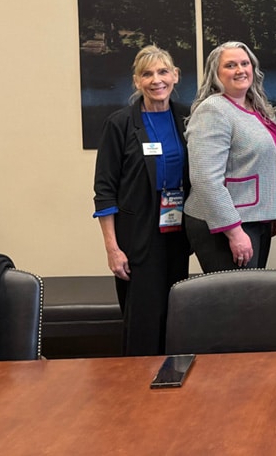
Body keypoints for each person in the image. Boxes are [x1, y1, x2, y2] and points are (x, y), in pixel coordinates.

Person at [92, 45, 191, 355]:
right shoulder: (119, 124)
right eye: (147, 74)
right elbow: (104, 189)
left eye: (163, 72)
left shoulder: (188, 119)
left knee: (176, 311)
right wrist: (112, 248)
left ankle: (173, 380)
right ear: (136, 81)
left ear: (175, 76)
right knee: (143, 317)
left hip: (178, 233)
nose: (156, 80)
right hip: (136, 238)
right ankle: (137, 390)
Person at [184, 41, 276, 272]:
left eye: (244, 63)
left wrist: (268, 211)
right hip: (225, 224)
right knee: (235, 302)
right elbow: (205, 179)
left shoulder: (257, 107)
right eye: (230, 65)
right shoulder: (213, 110)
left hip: (255, 217)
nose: (240, 70)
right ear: (216, 73)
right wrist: (234, 231)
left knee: (250, 298)